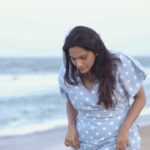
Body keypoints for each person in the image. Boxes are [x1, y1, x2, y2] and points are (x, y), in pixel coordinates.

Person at [58, 26, 147, 150]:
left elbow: (140, 98)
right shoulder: (68, 71)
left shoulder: (118, 64)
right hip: (84, 142)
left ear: (96, 51)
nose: (78, 64)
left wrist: (125, 128)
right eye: (73, 58)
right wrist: (71, 127)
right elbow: (71, 101)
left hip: (118, 140)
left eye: (83, 57)